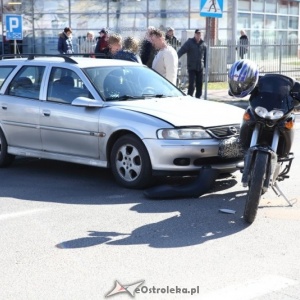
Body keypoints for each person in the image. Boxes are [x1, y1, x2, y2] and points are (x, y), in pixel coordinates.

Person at [177, 29, 206, 99]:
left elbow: (205, 56)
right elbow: (182, 50)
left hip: (200, 67)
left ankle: (198, 97)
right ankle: (189, 97)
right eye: (197, 34)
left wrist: (205, 65)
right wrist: (175, 57)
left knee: (199, 84)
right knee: (192, 84)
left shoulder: (203, 44)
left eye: (200, 34)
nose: (198, 35)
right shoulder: (190, 42)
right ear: (195, 34)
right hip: (191, 67)